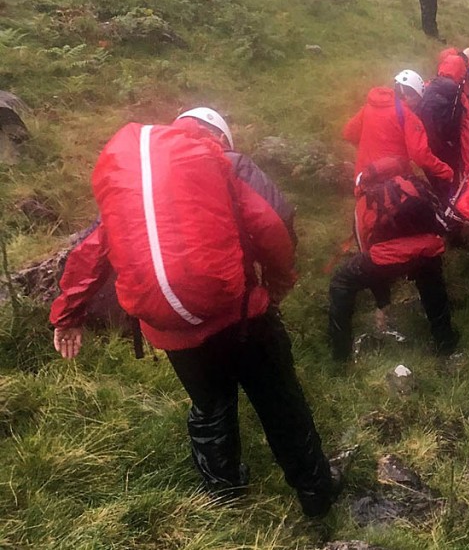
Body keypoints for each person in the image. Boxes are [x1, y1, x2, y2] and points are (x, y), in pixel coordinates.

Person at [49, 107, 341, 517]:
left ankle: (225, 502)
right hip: (241, 316)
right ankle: (316, 495)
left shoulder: (134, 183)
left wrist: (68, 314)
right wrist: (278, 283)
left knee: (210, 407)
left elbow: (92, 252)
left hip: (172, 330)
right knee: (280, 403)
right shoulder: (226, 161)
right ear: (220, 135)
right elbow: (274, 223)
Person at [327, 155, 459, 362]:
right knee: (432, 283)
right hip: (426, 252)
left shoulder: (365, 201)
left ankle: (340, 354)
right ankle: (446, 344)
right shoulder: (413, 186)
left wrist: (383, 301)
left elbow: (366, 251)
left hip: (385, 259)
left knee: (341, 283)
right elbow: (440, 224)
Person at [342, 69, 453, 189]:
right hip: (393, 181)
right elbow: (421, 156)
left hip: (364, 176)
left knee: (366, 205)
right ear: (409, 96)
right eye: (417, 99)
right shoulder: (408, 117)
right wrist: (445, 171)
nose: (416, 105)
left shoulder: (369, 107)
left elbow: (349, 133)